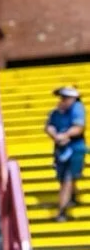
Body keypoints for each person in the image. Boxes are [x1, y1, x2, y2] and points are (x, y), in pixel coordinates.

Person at [46, 85, 86, 222]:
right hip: (61, 149)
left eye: (65, 98)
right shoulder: (57, 112)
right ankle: (73, 195)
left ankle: (62, 210)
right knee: (64, 177)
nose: (62, 100)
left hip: (75, 148)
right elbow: (49, 126)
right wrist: (55, 135)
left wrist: (65, 135)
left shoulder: (77, 109)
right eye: (62, 97)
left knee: (67, 178)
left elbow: (78, 127)